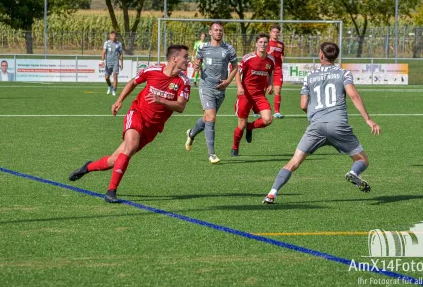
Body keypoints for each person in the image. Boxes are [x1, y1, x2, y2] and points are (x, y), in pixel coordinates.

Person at [262, 42, 381, 204]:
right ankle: (354, 173)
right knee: (362, 161)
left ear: (321, 55)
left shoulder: (310, 77)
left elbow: (303, 105)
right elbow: (353, 95)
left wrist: (314, 115)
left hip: (316, 126)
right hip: (338, 125)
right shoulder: (344, 73)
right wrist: (368, 119)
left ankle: (272, 193)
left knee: (294, 162)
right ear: (335, 56)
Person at [69, 45, 191, 203]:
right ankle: (111, 192)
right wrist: (119, 101)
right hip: (137, 114)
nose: (188, 60)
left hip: (152, 128)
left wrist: (160, 100)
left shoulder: (183, 81)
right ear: (174, 58)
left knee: (114, 160)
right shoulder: (152, 70)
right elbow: (133, 82)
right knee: (131, 145)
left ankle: (87, 167)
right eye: (186, 57)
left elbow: (180, 106)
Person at [185, 22, 237, 164]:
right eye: (216, 30)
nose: (219, 32)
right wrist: (196, 65)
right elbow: (197, 62)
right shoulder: (203, 47)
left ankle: (191, 134)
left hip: (221, 88)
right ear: (210, 32)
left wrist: (228, 81)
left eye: (221, 30)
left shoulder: (229, 49)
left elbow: (235, 67)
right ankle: (212, 154)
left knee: (207, 118)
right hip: (206, 86)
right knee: (212, 118)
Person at [231, 33, 275, 157]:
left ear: (268, 44)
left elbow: (270, 73)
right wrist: (239, 87)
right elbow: (237, 73)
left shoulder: (270, 60)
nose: (263, 44)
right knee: (241, 124)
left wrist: (270, 85)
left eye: (265, 42)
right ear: (256, 44)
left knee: (268, 120)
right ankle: (235, 147)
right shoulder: (248, 58)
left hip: (260, 95)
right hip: (245, 94)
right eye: (260, 42)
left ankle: (250, 127)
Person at [268, 25, 285, 118]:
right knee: (262, 90)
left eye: (277, 32)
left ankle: (277, 112)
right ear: (270, 33)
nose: (275, 33)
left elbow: (282, 55)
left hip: (278, 70)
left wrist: (282, 57)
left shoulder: (281, 45)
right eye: (273, 31)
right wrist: (268, 54)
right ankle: (256, 110)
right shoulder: (266, 43)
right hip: (267, 70)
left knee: (277, 90)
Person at [101, 31, 123, 96]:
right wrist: (102, 61)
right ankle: (110, 86)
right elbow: (103, 52)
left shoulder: (119, 44)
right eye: (112, 36)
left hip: (115, 62)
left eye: (115, 36)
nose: (113, 37)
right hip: (108, 63)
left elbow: (121, 54)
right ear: (110, 36)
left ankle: (114, 90)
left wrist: (121, 64)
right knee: (106, 77)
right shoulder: (106, 43)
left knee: (115, 76)